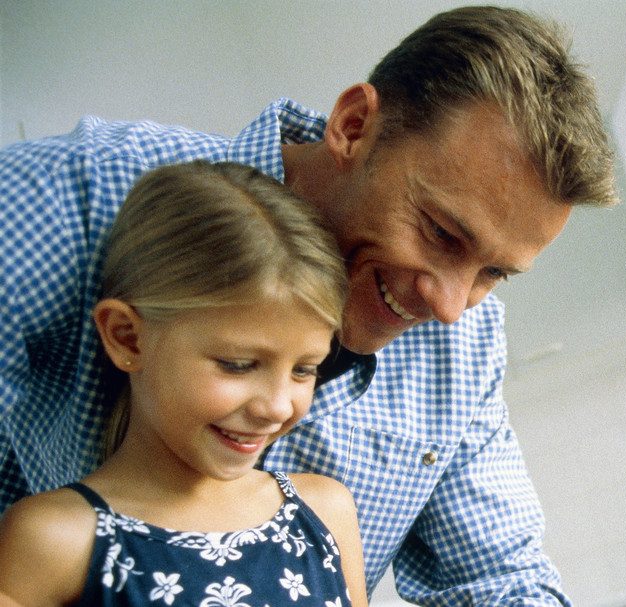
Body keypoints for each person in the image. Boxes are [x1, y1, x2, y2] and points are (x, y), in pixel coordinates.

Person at [0, 6, 616, 605]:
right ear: (352, 126)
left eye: (493, 273)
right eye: (441, 234)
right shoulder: (74, 197)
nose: (452, 306)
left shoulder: (466, 346)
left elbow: (499, 580)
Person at [0, 161, 364, 605]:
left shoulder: (325, 512)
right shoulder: (56, 540)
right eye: (238, 364)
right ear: (127, 337)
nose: (277, 406)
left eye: (304, 370)